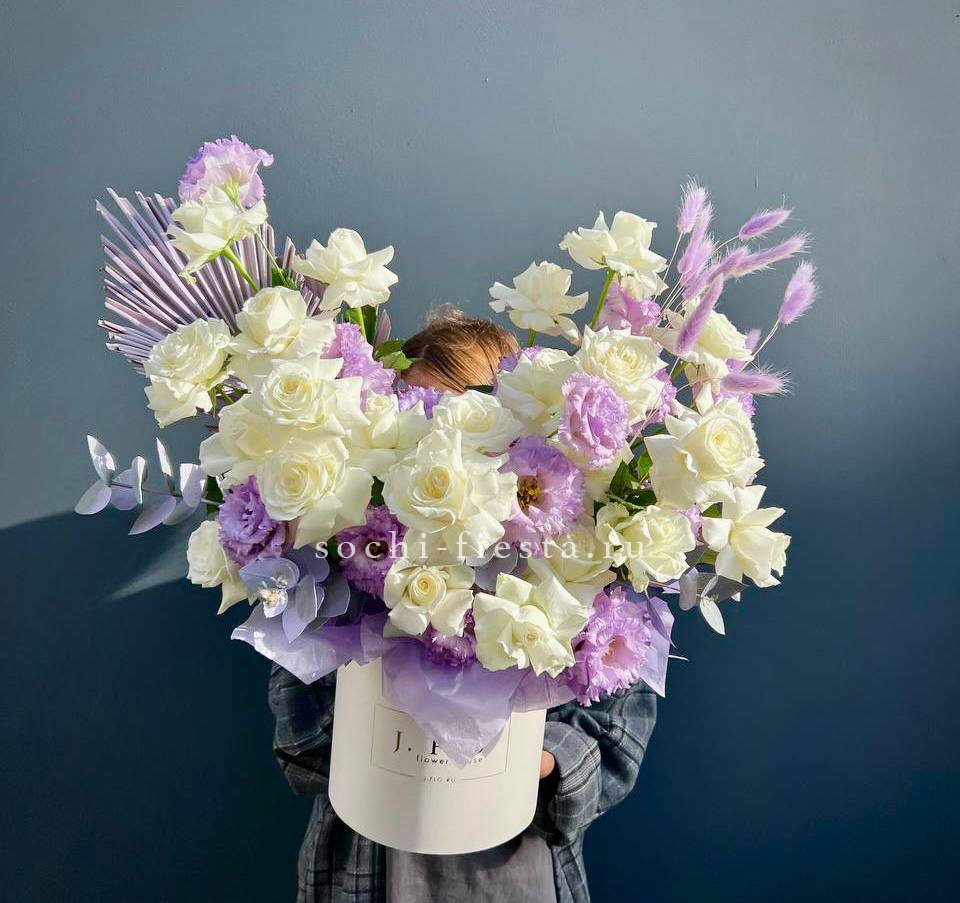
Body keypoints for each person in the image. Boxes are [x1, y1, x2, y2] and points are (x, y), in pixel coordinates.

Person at [268, 310, 658, 903]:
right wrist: (368, 682)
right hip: (359, 874)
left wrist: (540, 760)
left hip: (518, 874)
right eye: (419, 436)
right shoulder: (343, 577)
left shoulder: (576, 584)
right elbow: (297, 745)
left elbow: (618, 741)